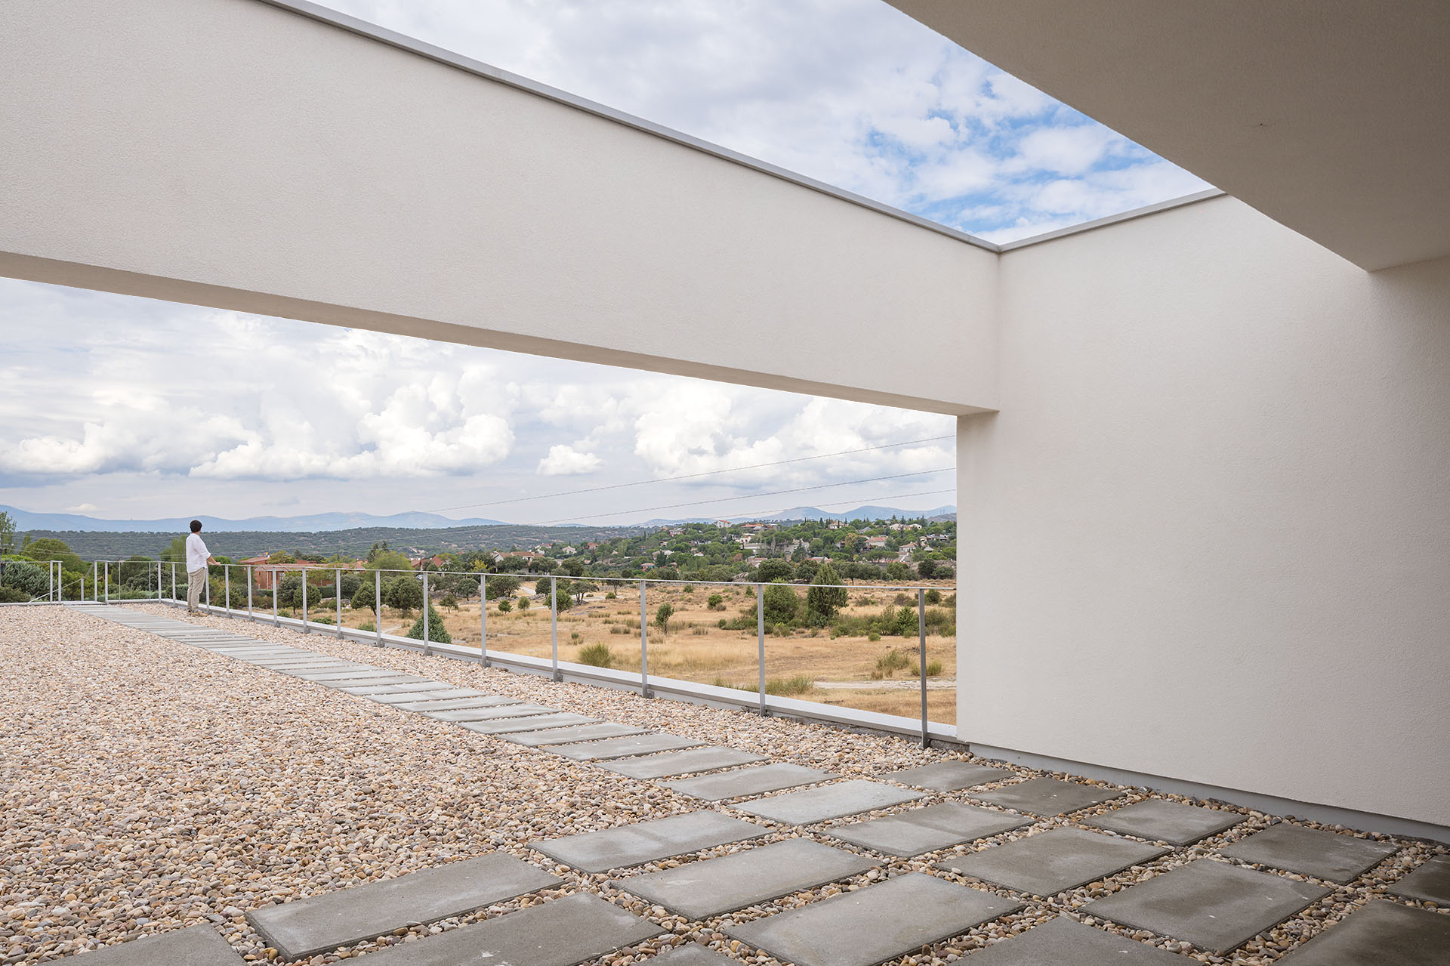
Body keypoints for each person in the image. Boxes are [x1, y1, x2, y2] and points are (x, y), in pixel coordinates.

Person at [185, 520, 215, 614]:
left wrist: (205, 560)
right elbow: (205, 553)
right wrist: (214, 562)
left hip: (190, 566)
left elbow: (195, 553)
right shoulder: (197, 539)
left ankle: (189, 609)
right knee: (196, 589)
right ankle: (195, 610)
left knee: (191, 588)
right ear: (200, 529)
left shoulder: (189, 538)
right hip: (198, 567)